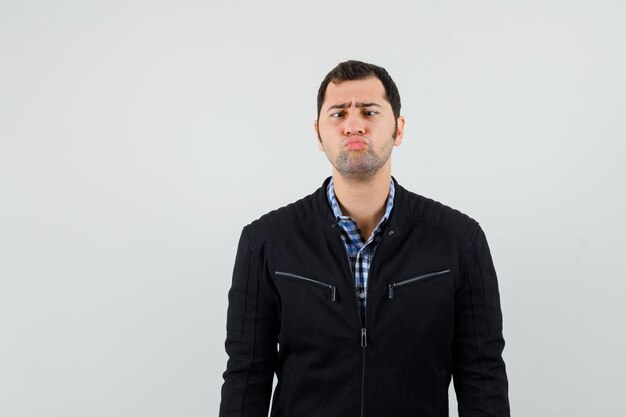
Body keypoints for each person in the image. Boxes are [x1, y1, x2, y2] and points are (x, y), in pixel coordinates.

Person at [219, 60, 510, 417]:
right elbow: (246, 379)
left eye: (369, 112)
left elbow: (482, 377)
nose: (353, 124)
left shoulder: (459, 242)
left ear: (398, 130)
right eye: (338, 113)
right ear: (318, 134)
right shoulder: (265, 243)